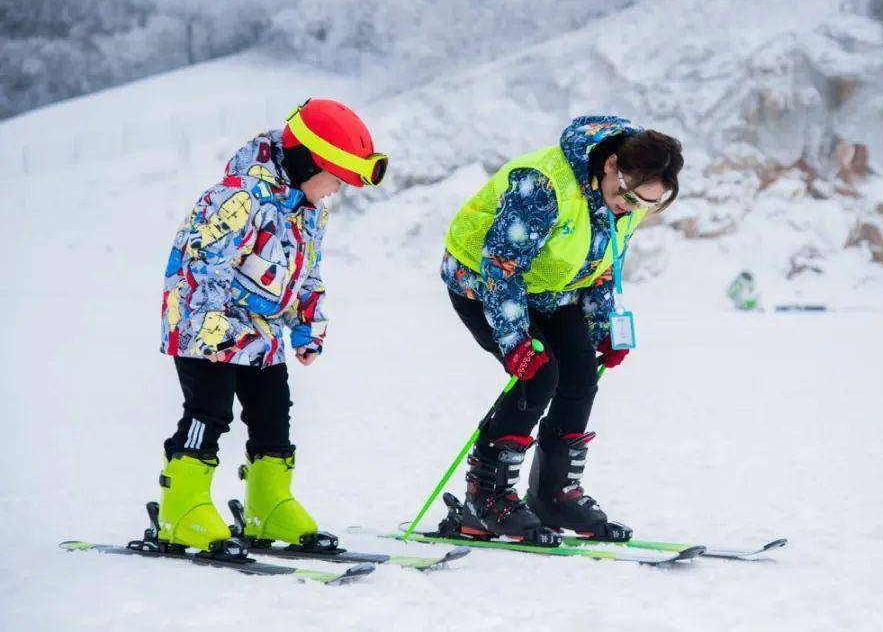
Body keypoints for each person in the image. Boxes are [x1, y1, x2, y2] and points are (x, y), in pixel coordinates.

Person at [155, 98, 387, 554]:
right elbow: (201, 264)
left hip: (262, 332)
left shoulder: (309, 208)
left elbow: (308, 270)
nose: (336, 190)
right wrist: (214, 330)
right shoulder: (238, 198)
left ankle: (269, 504)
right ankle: (181, 508)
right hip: (206, 327)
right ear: (308, 161)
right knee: (209, 412)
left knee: (273, 414)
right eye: (336, 179)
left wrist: (307, 325)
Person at [440, 115, 682, 542]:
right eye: (631, 198)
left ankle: (554, 495)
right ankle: (485, 500)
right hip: (485, 283)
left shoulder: (626, 198)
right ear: (610, 165)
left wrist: (603, 324)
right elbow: (501, 267)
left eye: (649, 204)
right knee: (538, 374)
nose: (633, 210)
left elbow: (601, 265)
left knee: (581, 376)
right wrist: (515, 342)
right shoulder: (545, 185)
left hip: (553, 289)